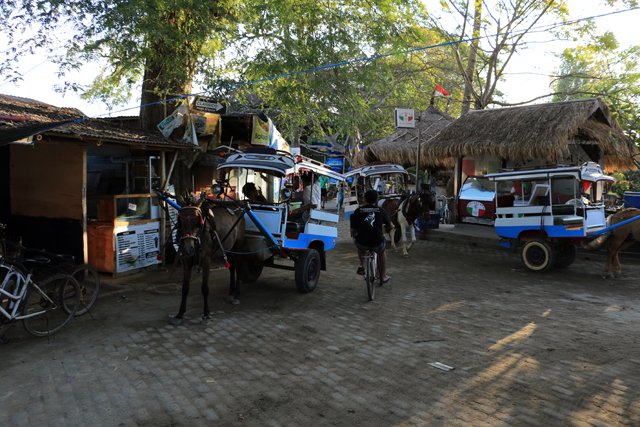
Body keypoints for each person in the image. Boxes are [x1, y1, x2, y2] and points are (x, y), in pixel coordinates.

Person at [350, 189, 392, 283]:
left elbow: (353, 228)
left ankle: (362, 264)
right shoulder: (381, 211)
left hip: (362, 242)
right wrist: (392, 226)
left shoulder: (358, 211)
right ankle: (383, 276)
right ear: (377, 199)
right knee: (382, 251)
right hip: (377, 242)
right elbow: (390, 224)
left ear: (364, 199)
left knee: (359, 244)